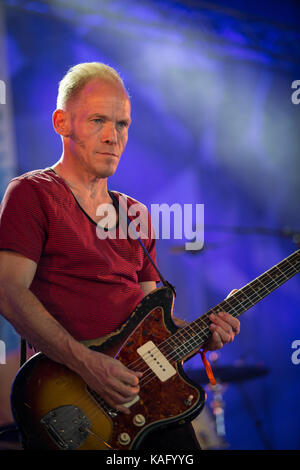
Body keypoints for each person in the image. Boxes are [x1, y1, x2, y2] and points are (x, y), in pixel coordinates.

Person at [0, 62, 240, 450]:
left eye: (122, 124)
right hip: (75, 403)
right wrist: (88, 365)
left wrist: (201, 337)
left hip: (148, 404)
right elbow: (8, 292)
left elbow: (152, 324)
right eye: (98, 121)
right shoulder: (32, 193)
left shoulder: (137, 215)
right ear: (62, 122)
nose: (113, 137)